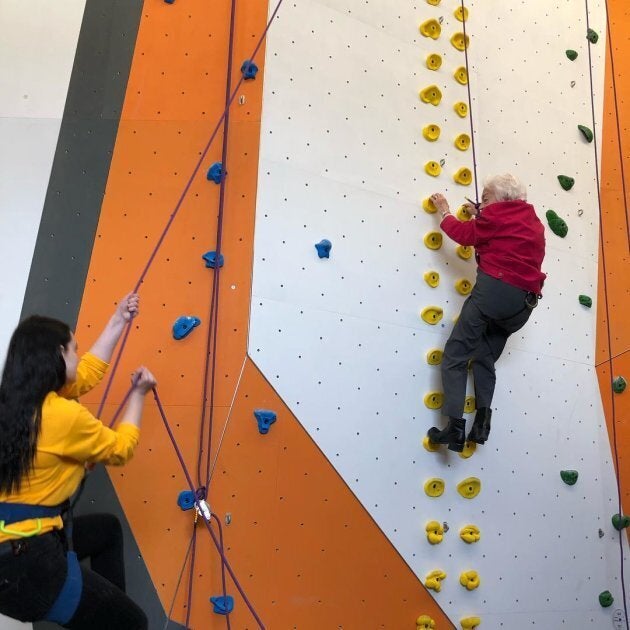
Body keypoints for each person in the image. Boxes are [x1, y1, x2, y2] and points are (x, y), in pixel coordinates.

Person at [0, 294, 156, 629]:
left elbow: (82, 375)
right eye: (73, 349)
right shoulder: (62, 415)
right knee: (133, 623)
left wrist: (118, 320)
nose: (77, 354)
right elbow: (120, 449)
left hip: (10, 555)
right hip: (26, 565)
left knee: (106, 531)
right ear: (57, 357)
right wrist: (139, 396)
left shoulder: (16, 402)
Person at [426, 174, 546, 452]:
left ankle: (454, 429)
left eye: (487, 197)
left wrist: (444, 210)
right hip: (523, 304)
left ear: (503, 200)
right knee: (484, 357)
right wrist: (481, 212)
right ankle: (481, 424)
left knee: (455, 355)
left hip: (494, 292)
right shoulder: (533, 222)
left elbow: (464, 234)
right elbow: (503, 228)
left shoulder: (494, 219)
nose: (482, 201)